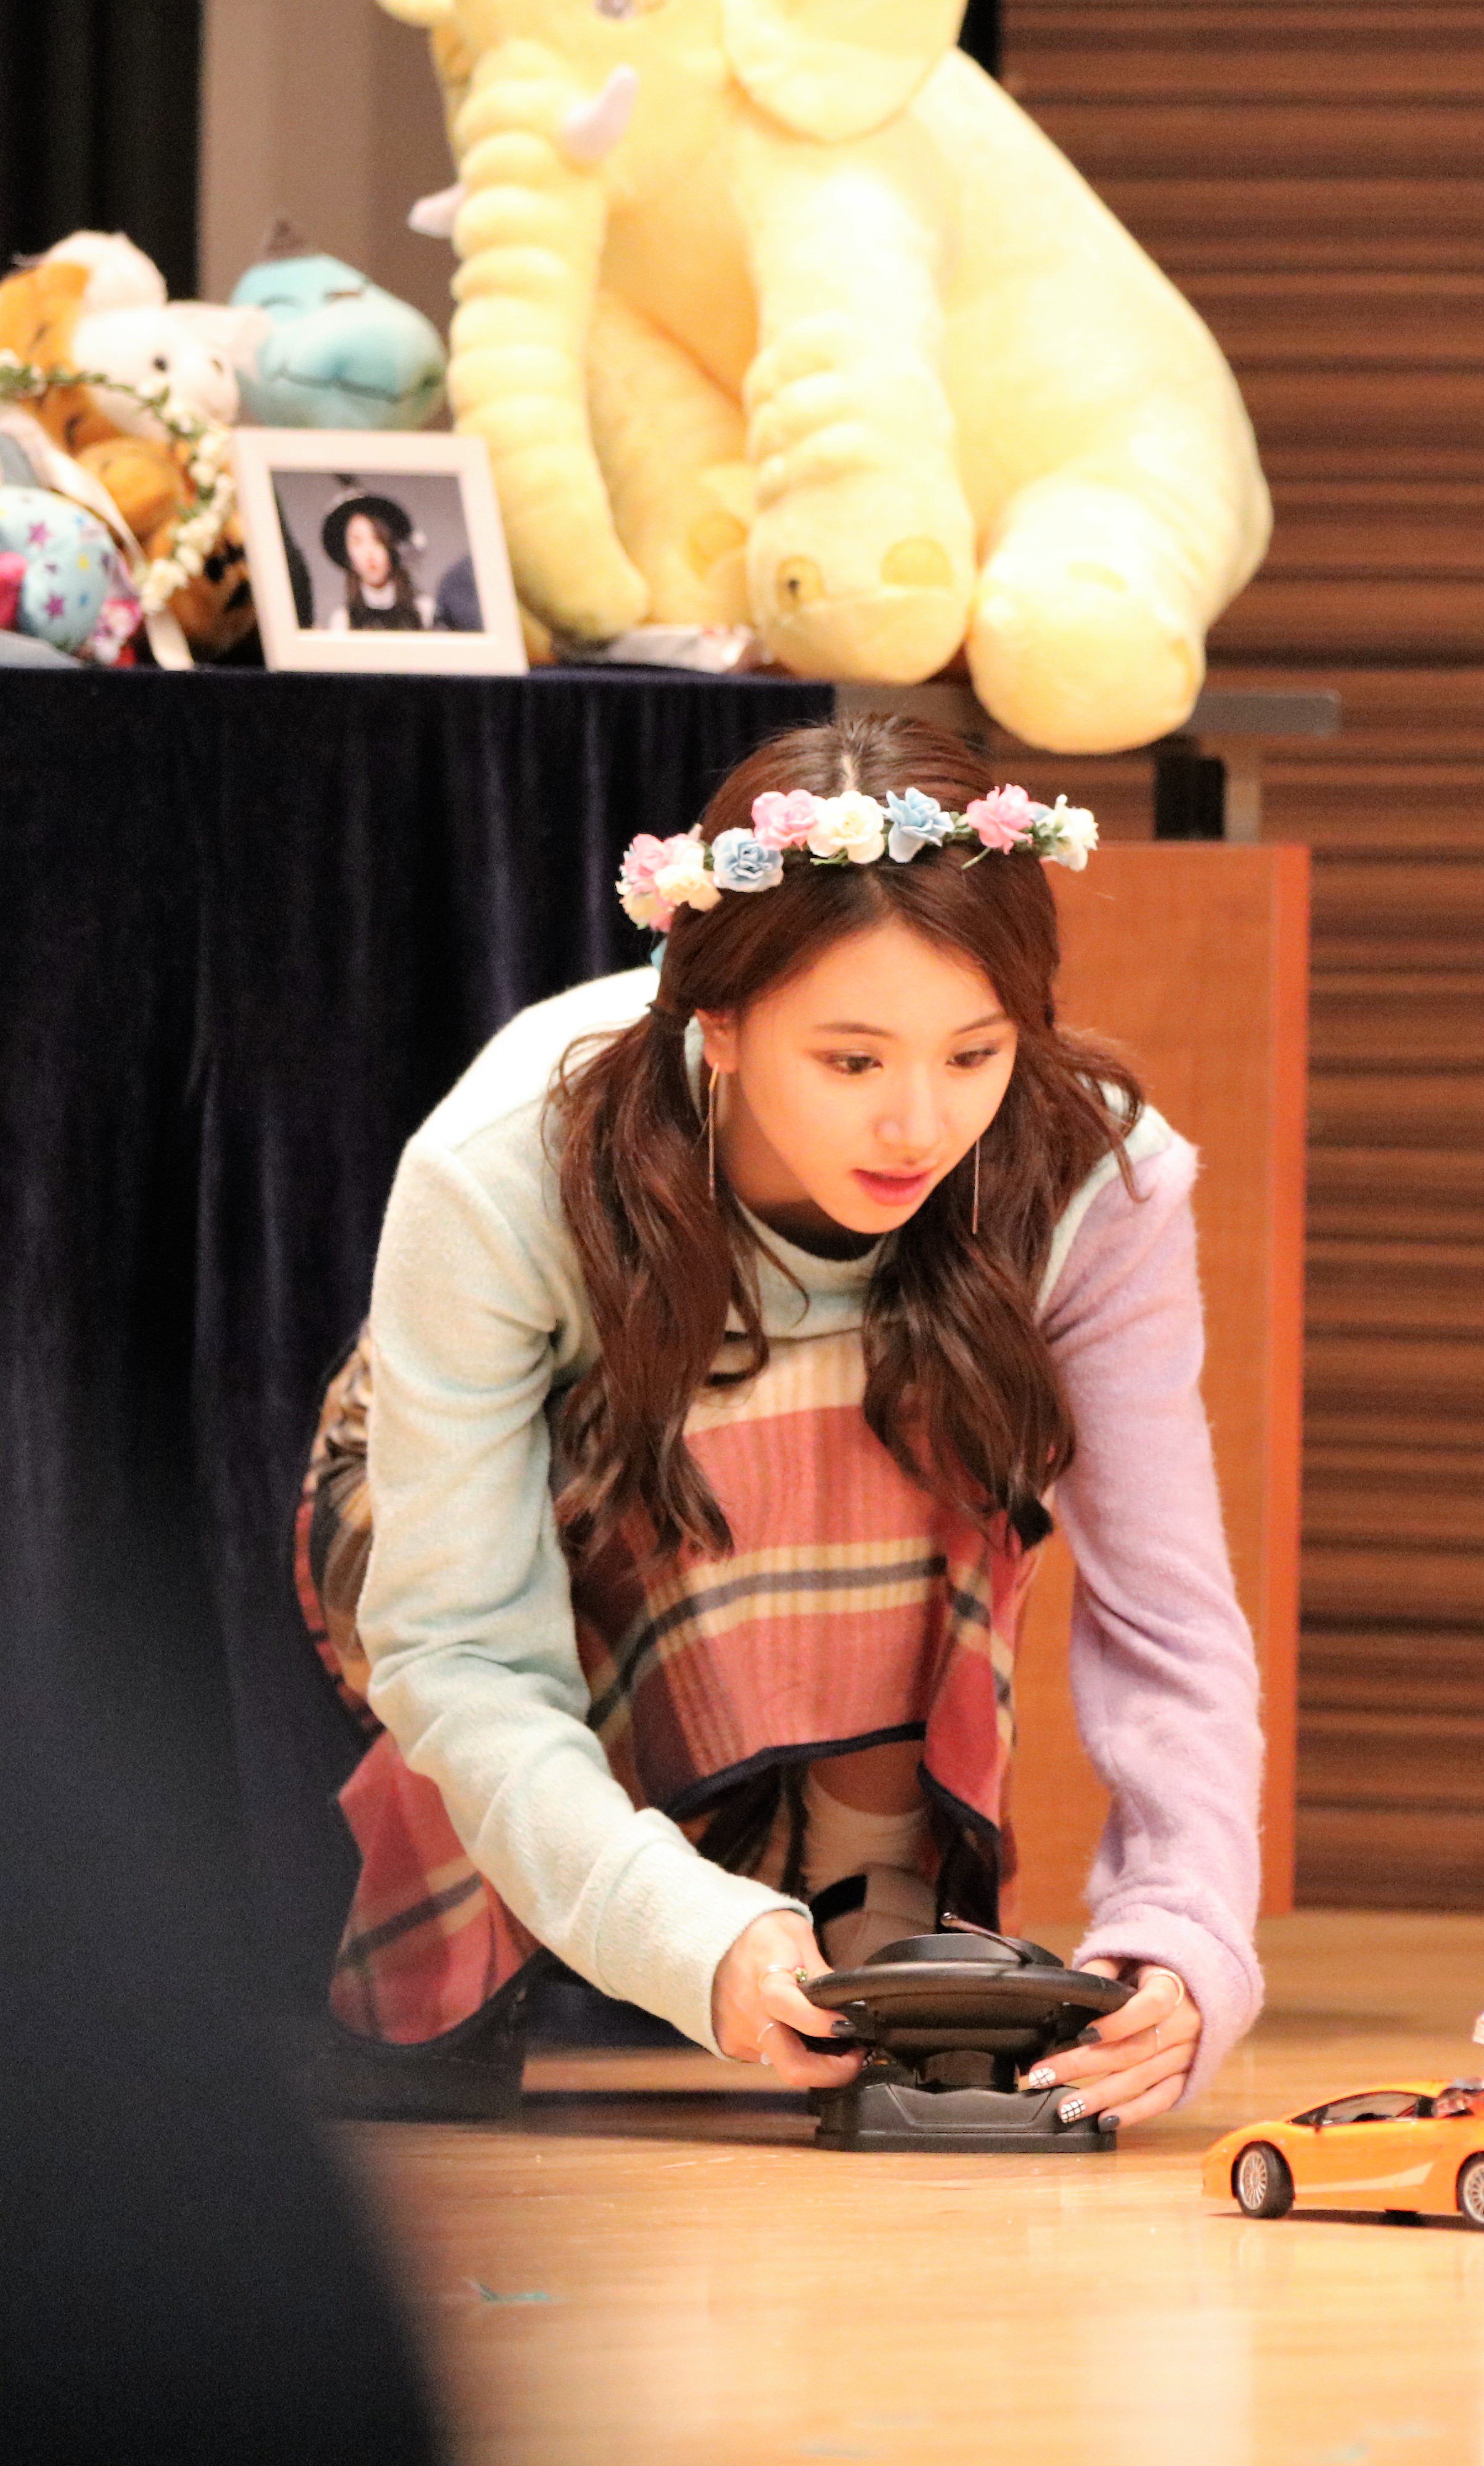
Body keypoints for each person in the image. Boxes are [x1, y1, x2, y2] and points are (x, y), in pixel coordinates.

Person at [296, 715, 1263, 2129]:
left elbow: (1166, 1612)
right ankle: (450, 1941)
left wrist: (1184, 1929)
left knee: (912, 1401)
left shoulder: (1092, 1179)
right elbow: (458, 1642)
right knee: (776, 1434)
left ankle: (870, 1895)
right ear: (720, 1023)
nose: (919, 1126)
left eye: (975, 1052)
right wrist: (689, 1936)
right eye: (852, 1062)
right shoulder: (509, 1160)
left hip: (833, 1511)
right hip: (466, 1536)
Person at [319, 490, 432, 631]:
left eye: (377, 540)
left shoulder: (424, 611)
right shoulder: (343, 621)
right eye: (357, 541)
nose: (369, 553)